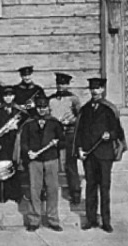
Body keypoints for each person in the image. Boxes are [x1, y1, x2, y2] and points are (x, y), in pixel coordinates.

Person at [75, 78, 126, 233]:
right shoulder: (85, 109)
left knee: (104, 188)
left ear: (103, 89)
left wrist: (109, 135)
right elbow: (79, 131)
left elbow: (118, 131)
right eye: (92, 88)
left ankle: (106, 221)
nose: (94, 91)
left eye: (97, 88)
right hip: (89, 155)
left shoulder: (109, 109)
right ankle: (90, 220)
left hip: (104, 155)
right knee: (90, 187)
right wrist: (79, 149)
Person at [20, 96, 65, 232]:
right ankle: (34, 220)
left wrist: (58, 143)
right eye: (39, 108)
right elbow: (24, 142)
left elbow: (63, 141)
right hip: (35, 161)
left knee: (52, 189)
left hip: (51, 159)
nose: (42, 110)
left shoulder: (55, 123)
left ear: (48, 108)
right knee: (35, 190)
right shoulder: (29, 124)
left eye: (44, 107)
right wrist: (28, 152)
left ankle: (53, 219)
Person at [48, 72, 82, 205]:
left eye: (63, 84)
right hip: (54, 134)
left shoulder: (74, 99)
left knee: (70, 164)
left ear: (68, 85)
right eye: (59, 84)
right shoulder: (51, 98)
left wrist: (71, 121)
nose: (61, 86)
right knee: (51, 163)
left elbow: (80, 117)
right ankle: (48, 192)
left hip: (69, 134)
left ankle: (75, 193)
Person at [0, 86, 28, 203]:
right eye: (6, 96)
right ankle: (3, 195)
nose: (8, 98)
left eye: (10, 95)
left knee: (16, 167)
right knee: (3, 168)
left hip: (15, 143)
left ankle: (16, 194)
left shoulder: (19, 111)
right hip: (2, 143)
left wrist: (17, 127)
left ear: (14, 96)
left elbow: (26, 125)